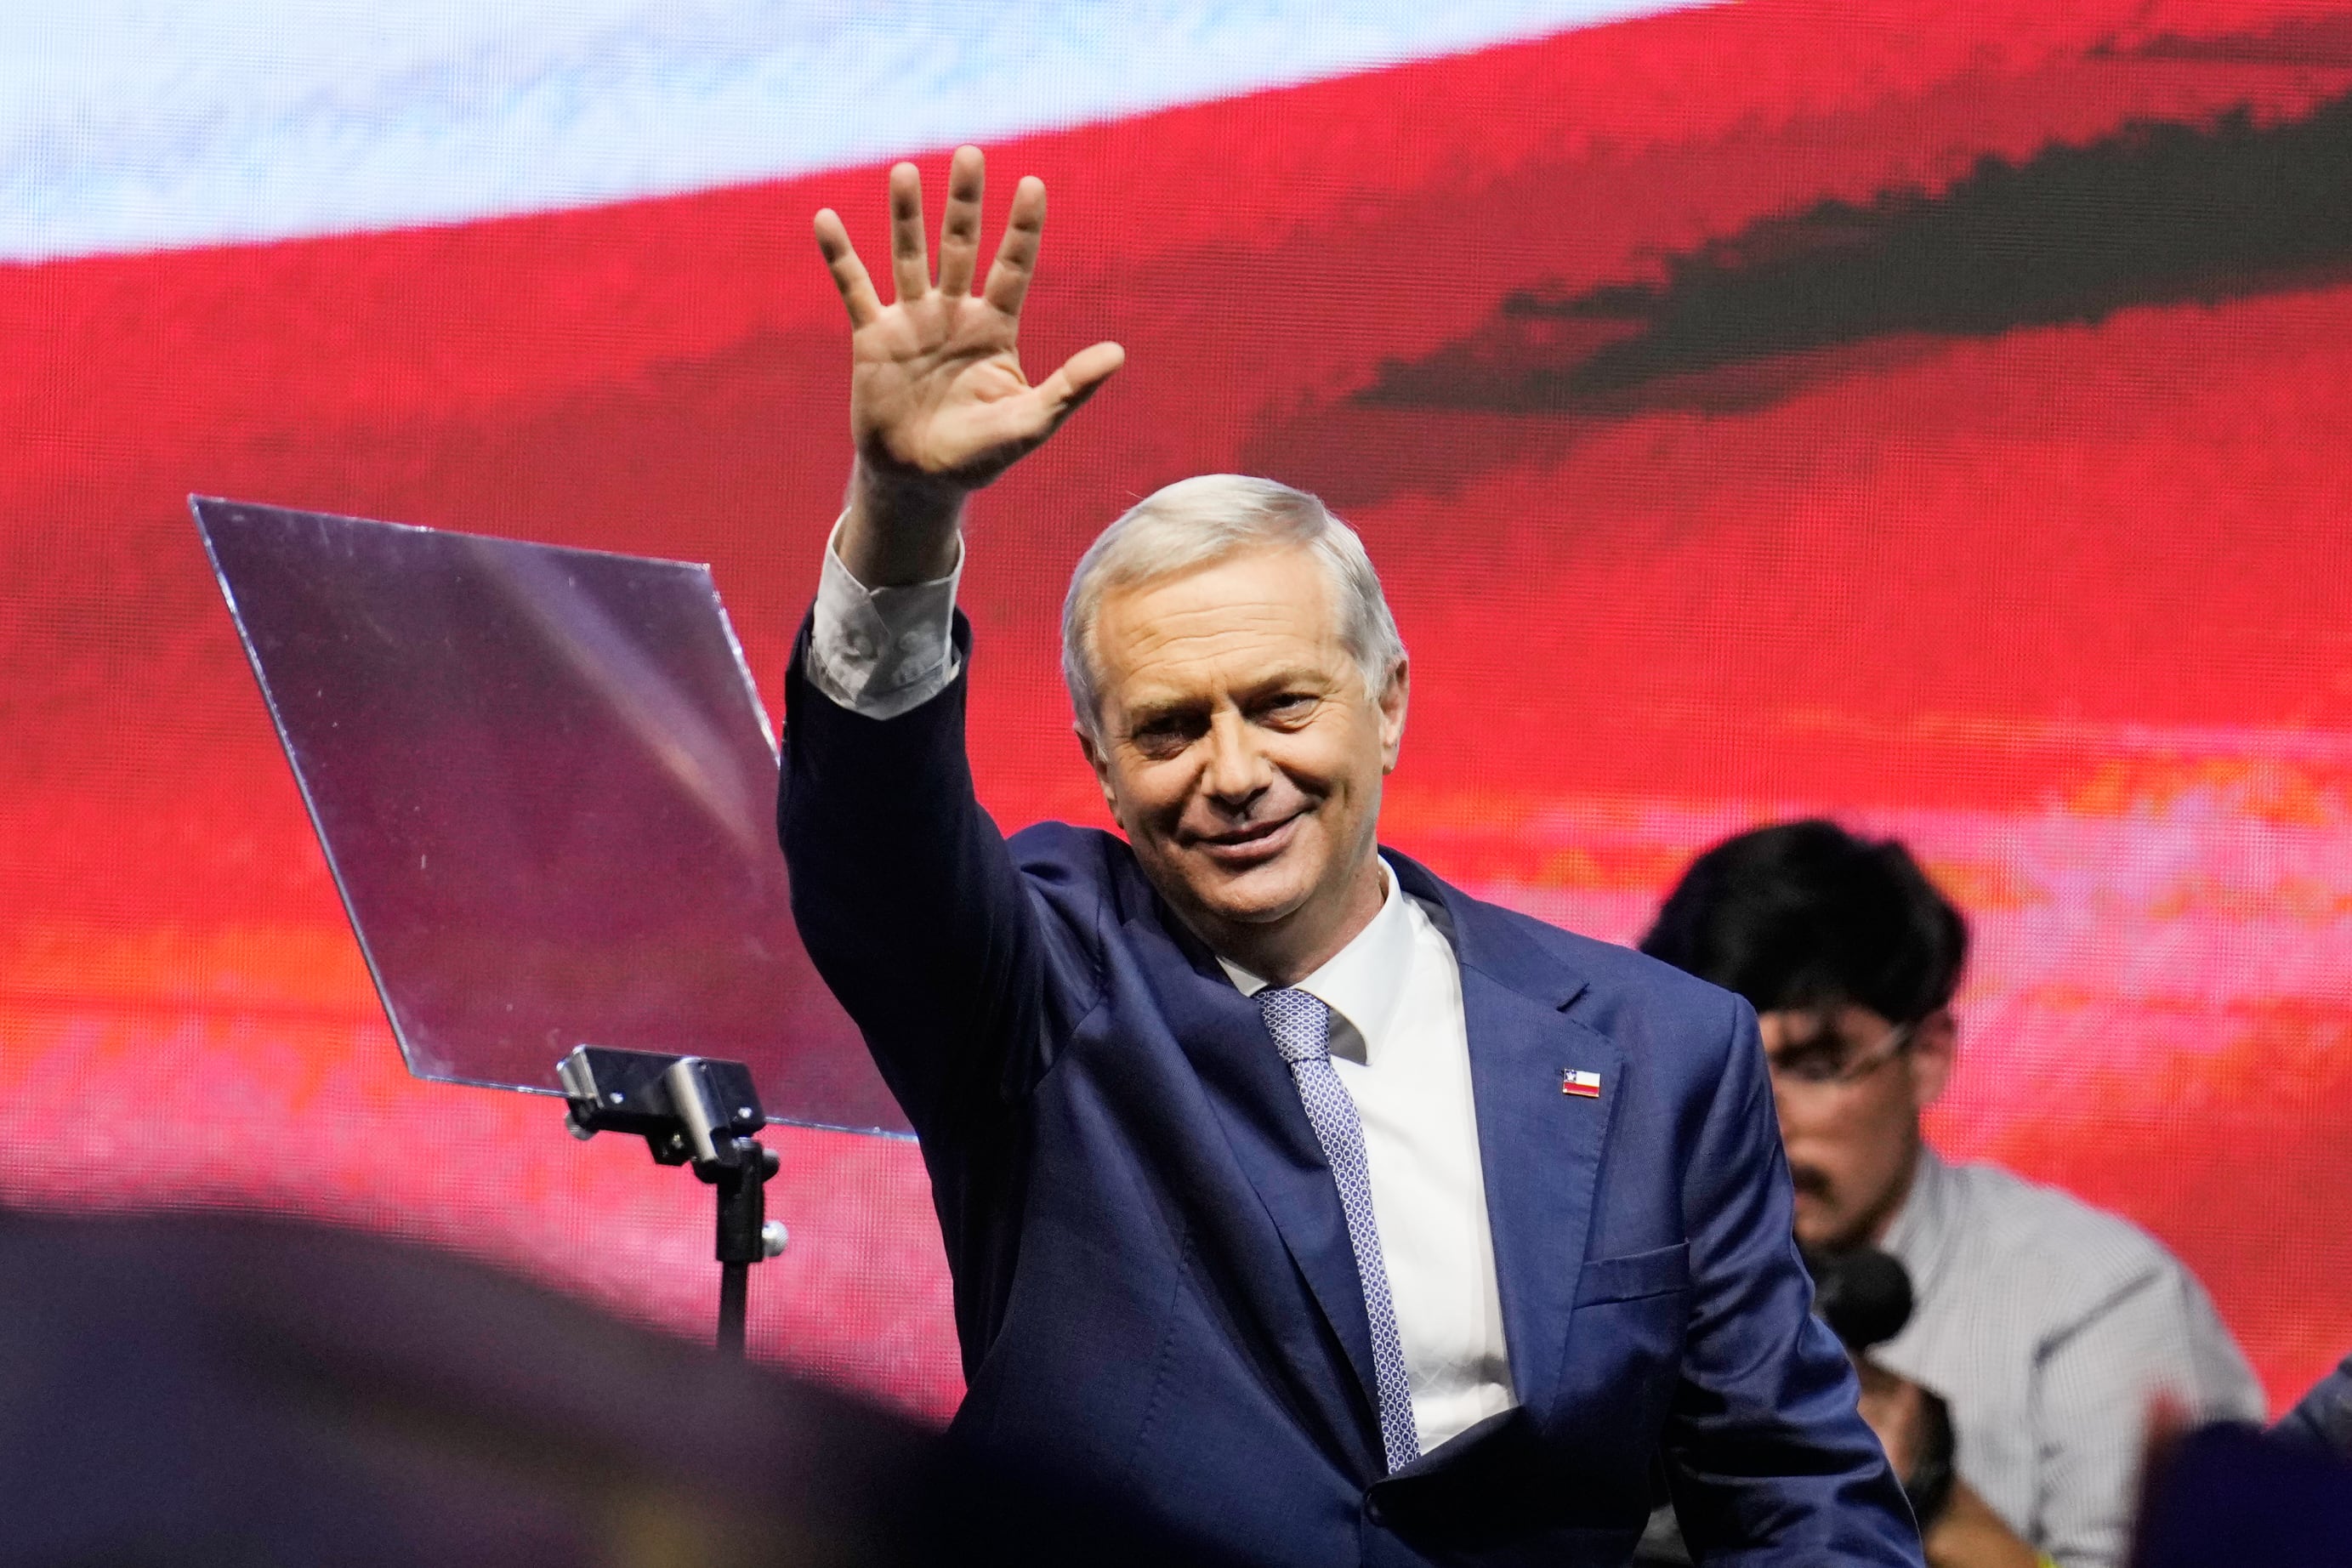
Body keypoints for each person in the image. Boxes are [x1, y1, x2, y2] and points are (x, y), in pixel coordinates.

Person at [777, 146, 1920, 1566]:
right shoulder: (1043, 980)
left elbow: (1792, 1481)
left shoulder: (1655, 1048)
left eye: (1282, 703)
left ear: (1387, 703)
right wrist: (902, 515)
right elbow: (872, 847)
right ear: (1101, 768)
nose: (1235, 769)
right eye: (1170, 726)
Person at [1640, 820, 2263, 1568]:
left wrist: (1931, 1496)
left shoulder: (2099, 1303)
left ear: (1928, 1056)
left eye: (1816, 1064)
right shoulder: (1610, 1294)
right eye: (1719, 1072)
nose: (1759, 1124)